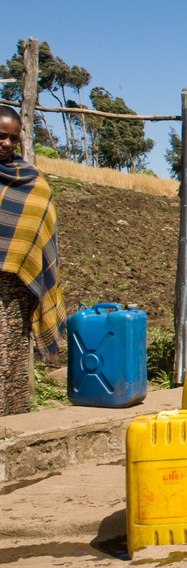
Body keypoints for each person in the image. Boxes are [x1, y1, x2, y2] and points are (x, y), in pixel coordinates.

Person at [0, 105, 66, 415]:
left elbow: (41, 223)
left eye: (13, 139)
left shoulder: (30, 181)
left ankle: (11, 425)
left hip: (13, 296)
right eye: (1, 137)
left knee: (10, 364)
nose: (7, 145)